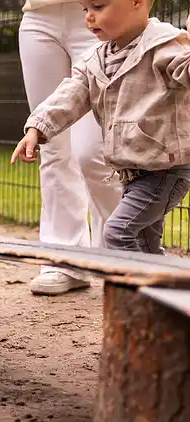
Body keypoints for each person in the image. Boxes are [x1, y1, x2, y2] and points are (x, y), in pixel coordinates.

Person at [12, 2, 190, 255]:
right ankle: (157, 288)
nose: (89, 18)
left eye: (97, 6)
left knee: (118, 232)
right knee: (143, 241)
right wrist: (36, 128)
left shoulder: (165, 46)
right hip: (133, 172)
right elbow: (70, 94)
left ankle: (128, 289)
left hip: (165, 172)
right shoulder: (98, 57)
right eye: (85, 9)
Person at [18, 0, 121, 295]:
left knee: (96, 151)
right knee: (51, 147)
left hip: (101, 10)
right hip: (38, 16)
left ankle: (123, 256)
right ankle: (63, 261)